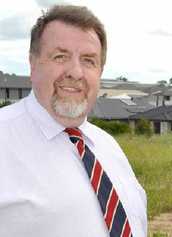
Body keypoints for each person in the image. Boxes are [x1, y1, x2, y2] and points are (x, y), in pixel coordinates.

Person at [0, 5, 147, 237]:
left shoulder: (108, 147)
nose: (76, 72)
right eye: (61, 56)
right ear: (32, 64)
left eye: (89, 61)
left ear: (100, 71)